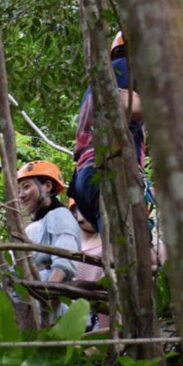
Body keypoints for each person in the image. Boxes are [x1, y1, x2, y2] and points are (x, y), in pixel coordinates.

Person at [68, 31, 144, 233]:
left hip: (85, 177)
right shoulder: (124, 67)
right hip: (108, 170)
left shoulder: (96, 83)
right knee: (130, 251)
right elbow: (130, 105)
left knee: (119, 250)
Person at [17, 160, 81, 286]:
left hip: (49, 299)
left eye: (26, 187)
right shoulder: (34, 226)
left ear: (47, 186)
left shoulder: (60, 215)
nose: (21, 195)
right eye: (19, 190)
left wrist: (47, 297)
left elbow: (65, 262)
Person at [69, 198, 109, 330]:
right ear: (75, 212)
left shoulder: (110, 245)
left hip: (104, 316)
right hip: (75, 316)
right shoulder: (67, 244)